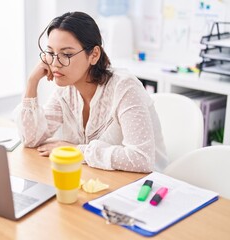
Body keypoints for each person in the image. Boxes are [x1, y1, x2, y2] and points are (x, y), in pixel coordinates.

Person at [16, 12, 167, 173]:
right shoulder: (66, 90)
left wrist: (78, 151)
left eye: (66, 54)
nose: (54, 63)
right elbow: (30, 139)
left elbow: (142, 159)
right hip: (98, 179)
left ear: (94, 55)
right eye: (51, 53)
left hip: (143, 186)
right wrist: (32, 83)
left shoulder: (124, 88)